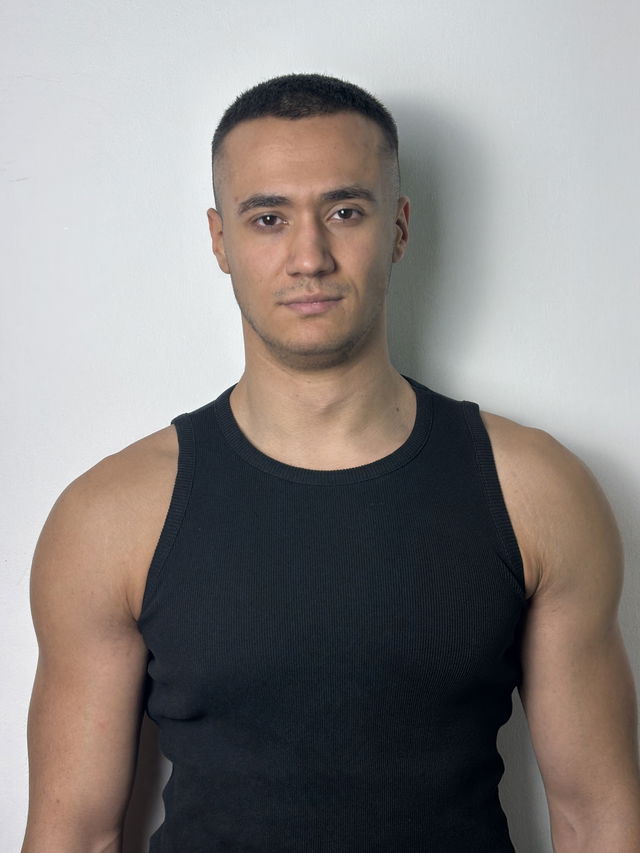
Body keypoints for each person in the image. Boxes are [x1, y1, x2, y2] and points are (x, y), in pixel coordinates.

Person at [22, 74, 640, 852]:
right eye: (268, 218)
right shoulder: (111, 514)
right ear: (220, 240)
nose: (308, 256)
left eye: (345, 211)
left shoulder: (536, 491)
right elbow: (74, 834)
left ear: (399, 227)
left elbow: (597, 818)